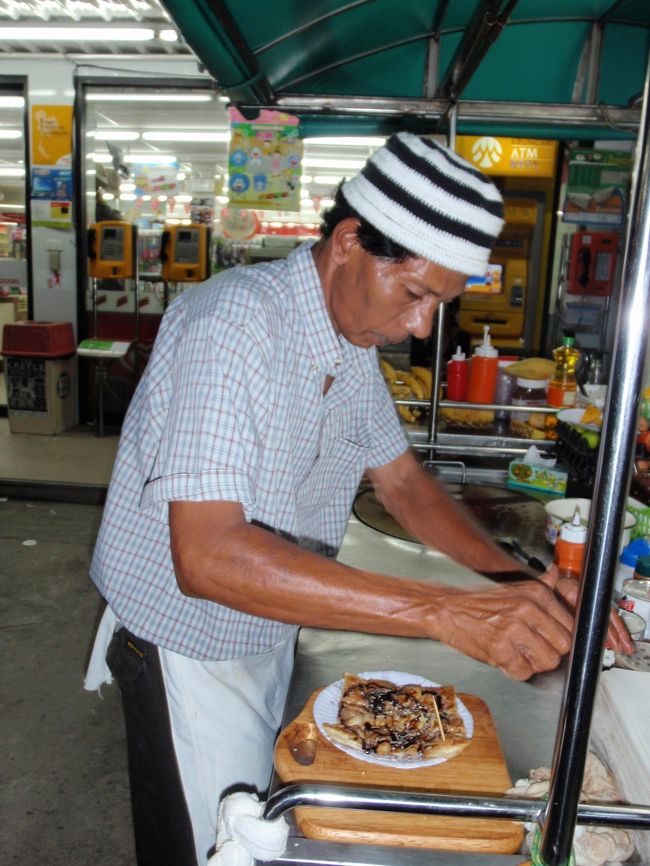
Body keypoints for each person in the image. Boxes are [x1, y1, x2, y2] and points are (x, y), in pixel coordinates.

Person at [85, 132, 632, 866]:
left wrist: (521, 585)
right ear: (348, 242)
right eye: (414, 295)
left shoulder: (349, 345)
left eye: (439, 303)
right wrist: (443, 611)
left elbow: (403, 483)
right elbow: (208, 556)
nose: (421, 326)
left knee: (262, 826)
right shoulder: (232, 328)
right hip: (186, 642)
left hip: (265, 626)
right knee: (212, 841)